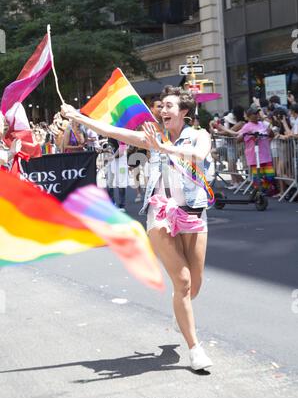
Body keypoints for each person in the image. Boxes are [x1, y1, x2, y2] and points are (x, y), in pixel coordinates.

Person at [61, 86, 213, 371]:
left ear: (184, 112)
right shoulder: (151, 137)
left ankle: (181, 313)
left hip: (193, 212)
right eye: (161, 106)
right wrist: (77, 117)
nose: (162, 110)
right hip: (161, 214)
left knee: (196, 282)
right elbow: (112, 131)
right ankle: (195, 349)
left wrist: (164, 147)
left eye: (169, 106)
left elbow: (198, 155)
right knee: (182, 283)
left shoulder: (199, 135)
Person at [237, 105, 277, 196]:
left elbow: (272, 135)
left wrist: (270, 132)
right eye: (255, 113)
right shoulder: (247, 126)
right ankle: (258, 194)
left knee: (270, 176)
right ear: (249, 116)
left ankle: (263, 191)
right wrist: (247, 135)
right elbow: (238, 140)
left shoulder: (263, 124)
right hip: (255, 156)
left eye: (258, 113)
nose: (257, 115)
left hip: (265, 154)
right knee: (258, 177)